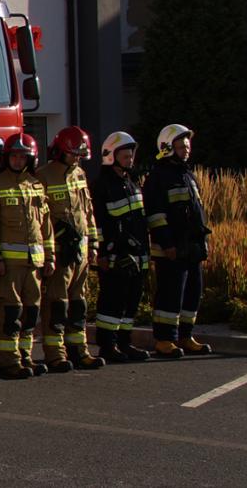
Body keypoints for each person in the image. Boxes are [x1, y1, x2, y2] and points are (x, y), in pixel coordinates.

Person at [0, 133, 55, 380]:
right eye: (13, 156)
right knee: (10, 312)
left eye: (22, 156)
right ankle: (9, 360)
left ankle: (25, 355)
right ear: (6, 158)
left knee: (31, 312)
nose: (18, 160)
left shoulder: (36, 185)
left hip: (34, 263)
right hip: (9, 265)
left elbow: (45, 226)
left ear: (30, 159)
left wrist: (50, 257)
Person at [37, 128, 106, 372]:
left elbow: (88, 212)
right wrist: (49, 252)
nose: (77, 158)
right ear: (60, 151)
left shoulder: (79, 174)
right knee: (57, 303)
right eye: (73, 154)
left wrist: (93, 243)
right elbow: (40, 218)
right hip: (59, 251)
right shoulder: (43, 176)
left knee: (79, 304)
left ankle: (79, 350)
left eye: (80, 155)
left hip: (81, 250)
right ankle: (55, 354)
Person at [146, 124, 213, 358]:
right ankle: (164, 340)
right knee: (170, 294)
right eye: (181, 146)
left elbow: (197, 212)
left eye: (187, 145)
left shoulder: (187, 175)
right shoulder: (158, 177)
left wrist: (202, 241)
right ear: (167, 147)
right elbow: (156, 215)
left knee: (193, 291)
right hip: (171, 249)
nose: (186, 149)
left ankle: (185, 336)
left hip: (191, 246)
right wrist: (167, 245)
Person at [92, 132, 151, 363]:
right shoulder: (102, 186)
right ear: (111, 156)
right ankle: (108, 346)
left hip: (136, 254)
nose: (130, 160)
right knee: (112, 301)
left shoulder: (131, 183)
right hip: (115, 255)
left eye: (131, 156)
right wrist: (103, 253)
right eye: (125, 156)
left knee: (131, 301)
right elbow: (97, 222)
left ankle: (125, 343)